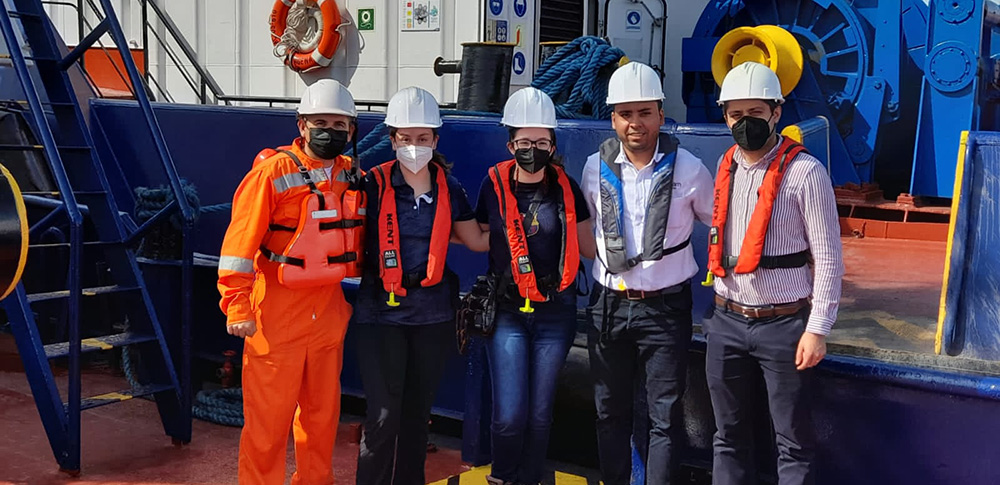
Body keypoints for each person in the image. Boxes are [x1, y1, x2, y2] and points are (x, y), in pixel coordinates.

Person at [704, 61, 844, 485]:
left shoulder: (806, 173)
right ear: (725, 115)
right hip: (726, 320)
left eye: (756, 114)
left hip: (784, 326)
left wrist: (817, 329)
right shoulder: (725, 165)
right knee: (726, 436)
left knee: (792, 440)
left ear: (776, 113)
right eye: (736, 115)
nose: (745, 124)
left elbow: (829, 256)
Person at [218, 79, 364, 485]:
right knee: (267, 428)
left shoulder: (350, 174)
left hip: (328, 320)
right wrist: (237, 304)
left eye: (339, 125)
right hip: (275, 321)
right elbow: (238, 247)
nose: (330, 131)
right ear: (301, 125)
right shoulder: (271, 174)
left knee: (321, 423)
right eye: (320, 121)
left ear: (351, 131)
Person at [580, 62, 714, 485]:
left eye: (644, 112)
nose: (635, 123)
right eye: (625, 113)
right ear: (613, 118)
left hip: (665, 308)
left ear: (660, 113)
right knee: (608, 411)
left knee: (664, 415)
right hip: (608, 306)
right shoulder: (591, 168)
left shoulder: (690, 170)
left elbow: (721, 227)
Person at [354, 86, 486, 485]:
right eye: (406, 138)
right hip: (380, 316)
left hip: (432, 317)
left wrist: (531, 231)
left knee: (416, 418)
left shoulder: (451, 188)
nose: (414, 146)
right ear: (392, 139)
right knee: (382, 417)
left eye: (423, 138)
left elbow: (478, 240)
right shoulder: (371, 186)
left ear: (436, 140)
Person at [474, 87, 596, 485]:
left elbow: (589, 247)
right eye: (524, 142)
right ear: (510, 144)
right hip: (507, 312)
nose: (532, 149)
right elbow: (476, 235)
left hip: (554, 314)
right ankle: (502, 476)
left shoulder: (568, 189)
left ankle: (528, 478)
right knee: (509, 413)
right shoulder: (492, 186)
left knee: (540, 412)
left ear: (553, 144)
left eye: (541, 141)